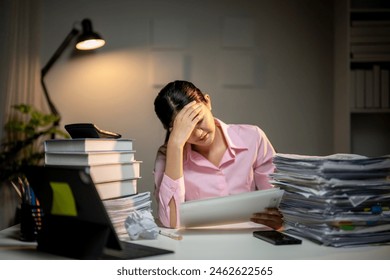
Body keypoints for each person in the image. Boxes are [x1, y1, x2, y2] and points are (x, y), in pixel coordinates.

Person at [153, 80, 283, 229]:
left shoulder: (253, 137)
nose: (198, 133)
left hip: (250, 238)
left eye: (199, 120)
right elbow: (171, 222)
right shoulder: (168, 156)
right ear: (173, 130)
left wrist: (279, 218)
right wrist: (175, 146)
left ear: (207, 102)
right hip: (199, 245)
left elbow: (277, 201)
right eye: (186, 129)